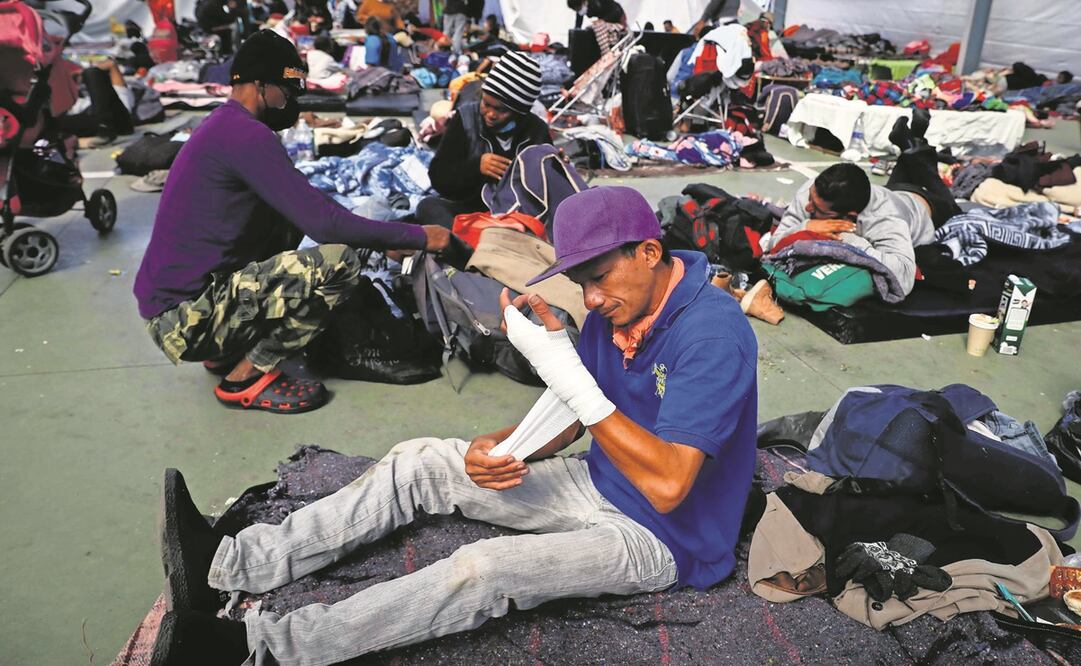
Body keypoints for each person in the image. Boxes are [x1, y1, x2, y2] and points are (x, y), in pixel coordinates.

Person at [148, 185, 759, 665]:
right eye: (581, 284)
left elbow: (669, 486)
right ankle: (233, 565)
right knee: (423, 460)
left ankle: (259, 650)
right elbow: (578, 413)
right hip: (598, 481)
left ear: (649, 253)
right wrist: (507, 444)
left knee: (484, 570)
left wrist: (564, 372)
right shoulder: (617, 306)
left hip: (667, 539)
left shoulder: (712, 332)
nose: (591, 299)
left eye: (598, 279)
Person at [133, 30, 450, 414]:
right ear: (260, 85)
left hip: (175, 309)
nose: (293, 102)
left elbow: (305, 208)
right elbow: (326, 225)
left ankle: (225, 348)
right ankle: (247, 375)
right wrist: (418, 236)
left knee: (286, 222)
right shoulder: (246, 136)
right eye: (288, 90)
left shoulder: (223, 125)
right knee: (339, 263)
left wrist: (380, 237)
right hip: (185, 322)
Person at [767, 110, 962, 297]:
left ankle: (912, 143)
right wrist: (807, 226)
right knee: (911, 164)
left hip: (923, 206)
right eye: (811, 200)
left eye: (817, 210)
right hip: (891, 191)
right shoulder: (812, 190)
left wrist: (848, 239)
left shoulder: (886, 221)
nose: (808, 207)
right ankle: (913, 143)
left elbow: (903, 277)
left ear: (850, 216)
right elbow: (772, 244)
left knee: (954, 209)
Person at [416, 51, 551, 229]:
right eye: (486, 104)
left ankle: (471, 246)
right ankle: (473, 244)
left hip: (518, 218)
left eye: (501, 110)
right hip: (471, 214)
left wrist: (555, 167)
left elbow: (545, 192)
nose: (490, 114)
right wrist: (475, 167)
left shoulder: (536, 131)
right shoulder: (465, 119)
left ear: (519, 112)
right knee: (428, 207)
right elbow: (439, 178)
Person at [56, 59, 135, 139]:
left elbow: (111, 64)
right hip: (91, 123)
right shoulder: (78, 103)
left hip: (118, 122)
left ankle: (104, 125)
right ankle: (102, 127)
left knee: (92, 73)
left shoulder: (113, 91)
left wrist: (82, 72)